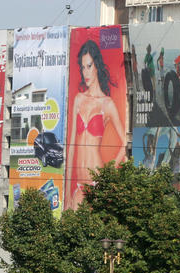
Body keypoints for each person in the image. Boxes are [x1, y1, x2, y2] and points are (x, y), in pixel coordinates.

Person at [64, 39, 126, 209]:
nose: (86, 72)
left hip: (97, 181)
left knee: (98, 233)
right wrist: (67, 190)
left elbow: (124, 143)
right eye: (83, 67)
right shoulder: (78, 99)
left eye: (89, 66)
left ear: (97, 66)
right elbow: (70, 147)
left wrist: (109, 170)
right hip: (78, 184)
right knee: (72, 229)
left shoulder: (107, 104)